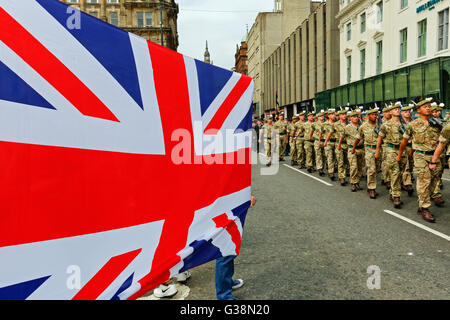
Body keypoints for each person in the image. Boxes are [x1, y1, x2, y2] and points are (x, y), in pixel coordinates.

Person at [397, 98, 444, 223]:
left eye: (429, 106)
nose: (428, 108)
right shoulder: (412, 125)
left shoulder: (436, 123)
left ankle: (422, 202)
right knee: (424, 181)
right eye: (425, 107)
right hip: (420, 156)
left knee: (435, 181)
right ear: (418, 110)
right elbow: (404, 141)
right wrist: (400, 154)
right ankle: (424, 208)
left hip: (435, 156)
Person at [215, 195, 257, 300]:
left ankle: (226, 283)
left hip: (224, 201)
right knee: (225, 251)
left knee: (229, 249)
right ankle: (224, 296)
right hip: (220, 203)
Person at [376, 102, 408, 208]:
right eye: (395, 109)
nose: (397, 111)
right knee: (395, 172)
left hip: (403, 151)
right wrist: (377, 151)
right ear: (390, 112)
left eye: (398, 109)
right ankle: (396, 196)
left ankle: (392, 191)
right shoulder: (386, 124)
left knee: (400, 173)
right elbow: (380, 138)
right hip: (391, 150)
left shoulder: (405, 125)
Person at [354, 108, 379, 199]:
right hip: (368, 149)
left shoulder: (379, 125)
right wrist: (353, 148)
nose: (375, 116)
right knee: (371, 169)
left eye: (376, 114)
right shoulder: (363, 126)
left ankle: (371, 184)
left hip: (378, 149)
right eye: (372, 114)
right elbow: (358, 137)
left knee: (377, 168)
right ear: (368, 116)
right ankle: (371, 188)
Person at [338, 111, 364, 192]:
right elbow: (342, 137)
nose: (356, 118)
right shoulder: (347, 127)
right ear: (350, 118)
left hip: (361, 148)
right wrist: (339, 145)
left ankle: (357, 182)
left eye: (357, 116)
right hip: (351, 149)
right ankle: (353, 183)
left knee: (360, 167)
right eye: (354, 117)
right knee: (353, 167)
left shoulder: (361, 126)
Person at [335, 110, 349, 186]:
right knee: (340, 161)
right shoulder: (336, 124)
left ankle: (345, 173)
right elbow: (331, 133)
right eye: (342, 114)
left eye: (345, 114)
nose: (344, 116)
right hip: (339, 144)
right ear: (339, 116)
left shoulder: (349, 124)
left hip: (347, 144)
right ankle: (341, 177)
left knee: (347, 161)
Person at [323, 109, 338, 181]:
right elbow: (320, 133)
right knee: (330, 157)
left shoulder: (337, 124)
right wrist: (324, 141)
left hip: (336, 142)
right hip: (328, 142)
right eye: (331, 114)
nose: (333, 116)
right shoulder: (325, 124)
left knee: (335, 158)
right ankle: (331, 172)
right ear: (328, 116)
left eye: (334, 114)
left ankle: (332, 169)